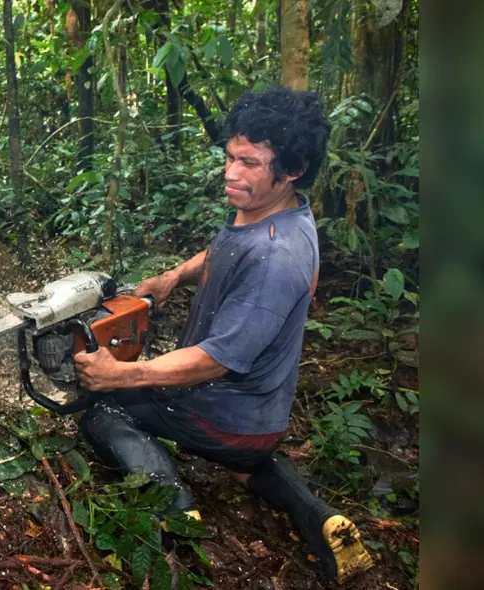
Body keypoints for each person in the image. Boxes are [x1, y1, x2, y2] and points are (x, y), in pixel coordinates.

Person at [72, 87, 373, 584]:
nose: (232, 173)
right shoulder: (278, 212)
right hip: (256, 419)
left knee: (101, 408)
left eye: (250, 163)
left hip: (218, 407)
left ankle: (174, 503)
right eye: (231, 157)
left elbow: (216, 360)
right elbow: (223, 250)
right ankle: (318, 517)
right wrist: (172, 277)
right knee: (248, 461)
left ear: (292, 169)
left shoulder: (277, 259)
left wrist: (122, 374)